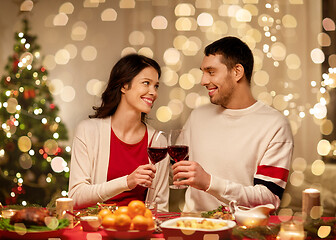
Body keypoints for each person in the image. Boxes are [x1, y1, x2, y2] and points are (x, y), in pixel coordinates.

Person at [172, 36, 294, 212]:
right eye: (203, 72)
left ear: (237, 72)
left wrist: (209, 182)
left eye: (211, 72)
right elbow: (176, 171)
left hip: (242, 232)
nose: (203, 81)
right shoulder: (197, 116)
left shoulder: (275, 125)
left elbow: (269, 198)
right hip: (193, 228)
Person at [68, 54, 169, 211]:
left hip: (139, 230)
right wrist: (127, 182)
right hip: (97, 228)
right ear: (123, 86)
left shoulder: (158, 142)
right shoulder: (88, 131)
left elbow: (161, 208)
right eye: (146, 83)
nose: (153, 92)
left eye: (156, 86)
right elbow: (75, 197)